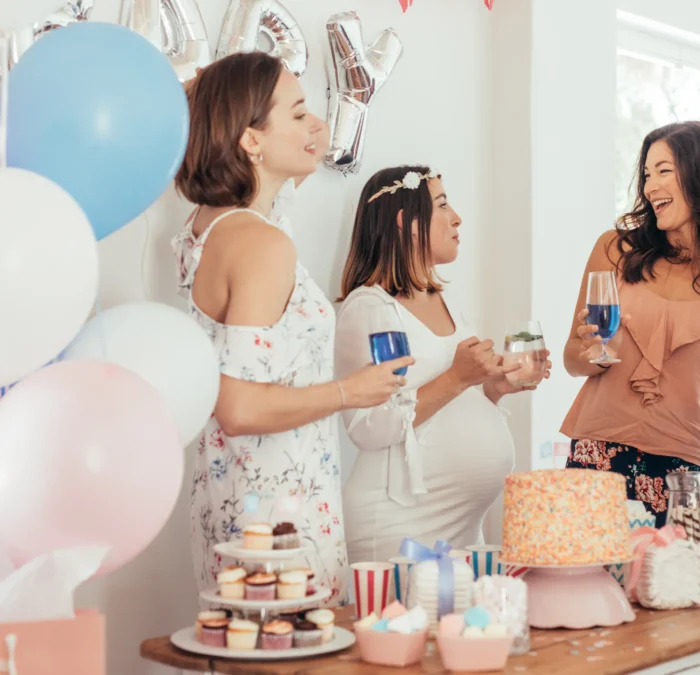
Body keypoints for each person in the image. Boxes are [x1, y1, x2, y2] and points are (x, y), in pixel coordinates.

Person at [172, 52, 411, 605]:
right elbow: (239, 408)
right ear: (251, 139)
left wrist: (210, 95)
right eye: (299, 112)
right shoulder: (260, 242)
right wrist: (353, 391)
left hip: (230, 502)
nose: (319, 126)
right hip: (277, 520)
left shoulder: (204, 228)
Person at [561, 121, 700, 526]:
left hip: (686, 471)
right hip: (598, 453)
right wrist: (589, 355)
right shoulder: (614, 249)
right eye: (646, 174)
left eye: (664, 171)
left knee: (679, 586)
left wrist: (690, 431)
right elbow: (573, 356)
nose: (650, 186)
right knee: (593, 586)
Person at [336, 165, 551, 563]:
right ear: (407, 223)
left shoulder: (446, 301)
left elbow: (452, 399)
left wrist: (493, 389)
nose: (457, 218)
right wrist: (457, 377)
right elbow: (368, 427)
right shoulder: (369, 308)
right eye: (443, 205)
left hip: (463, 527)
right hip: (398, 524)